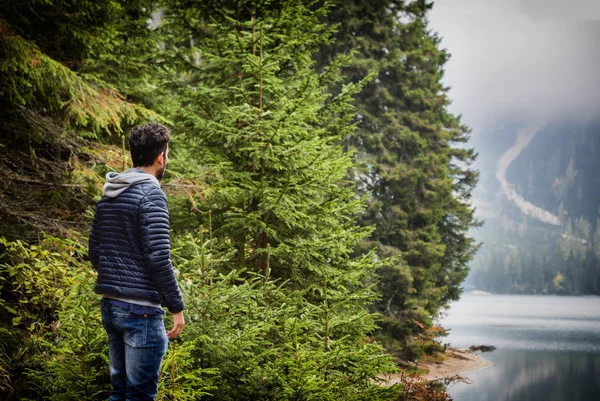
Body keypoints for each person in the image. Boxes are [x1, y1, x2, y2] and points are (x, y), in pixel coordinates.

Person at [89, 123, 185, 400]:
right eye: (167, 153)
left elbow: (95, 250)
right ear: (160, 158)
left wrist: (117, 280)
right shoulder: (151, 195)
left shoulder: (109, 194)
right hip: (141, 313)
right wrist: (176, 307)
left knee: (119, 393)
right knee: (140, 396)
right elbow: (158, 257)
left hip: (111, 306)